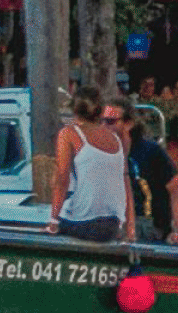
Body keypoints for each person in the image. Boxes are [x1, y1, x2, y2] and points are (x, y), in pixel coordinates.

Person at [48, 90, 132, 242]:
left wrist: (53, 221)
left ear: (74, 110)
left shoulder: (68, 134)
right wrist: (129, 226)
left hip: (83, 222)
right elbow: (124, 181)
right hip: (111, 224)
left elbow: (62, 179)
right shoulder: (115, 138)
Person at [109, 101, 178, 245]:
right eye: (100, 121)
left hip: (147, 223)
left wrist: (177, 230)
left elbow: (177, 189)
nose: (103, 126)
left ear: (128, 124)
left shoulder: (149, 151)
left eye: (110, 122)